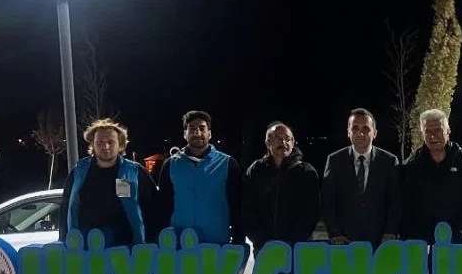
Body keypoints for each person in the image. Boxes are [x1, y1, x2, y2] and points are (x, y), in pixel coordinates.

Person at [58, 118, 157, 274]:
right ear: (92, 145)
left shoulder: (135, 171)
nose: (105, 146)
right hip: (88, 246)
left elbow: (152, 207)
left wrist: (150, 241)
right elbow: (66, 206)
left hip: (127, 245)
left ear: (121, 144)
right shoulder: (80, 171)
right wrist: (64, 238)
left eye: (111, 142)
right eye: (100, 142)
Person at [154, 110, 244, 246]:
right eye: (192, 128)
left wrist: (239, 239)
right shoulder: (171, 165)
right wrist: (161, 237)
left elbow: (236, 204)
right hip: (179, 242)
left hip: (216, 242)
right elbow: (164, 205)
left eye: (202, 128)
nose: (197, 133)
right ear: (185, 134)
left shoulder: (227, 164)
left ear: (210, 134)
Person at [321, 108, 401, 246]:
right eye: (355, 128)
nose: (360, 133)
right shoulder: (334, 161)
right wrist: (335, 233)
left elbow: (396, 201)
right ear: (348, 132)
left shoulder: (389, 161)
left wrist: (390, 231)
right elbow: (328, 202)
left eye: (366, 128)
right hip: (344, 241)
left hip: (381, 241)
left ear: (375, 133)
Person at [401, 109, 462, 245]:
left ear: (448, 131)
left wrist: (459, 232)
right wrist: (413, 237)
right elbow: (405, 206)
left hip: (457, 241)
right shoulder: (412, 165)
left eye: (438, 130)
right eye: (427, 131)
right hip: (421, 243)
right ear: (422, 134)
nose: (432, 136)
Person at [244, 121, 321, 253]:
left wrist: (294, 241)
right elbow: (247, 208)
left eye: (287, 139)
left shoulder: (306, 172)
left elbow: (311, 211)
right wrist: (259, 239)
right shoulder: (256, 170)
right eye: (278, 138)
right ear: (268, 142)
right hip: (263, 247)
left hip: (296, 247)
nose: (283, 142)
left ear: (293, 142)